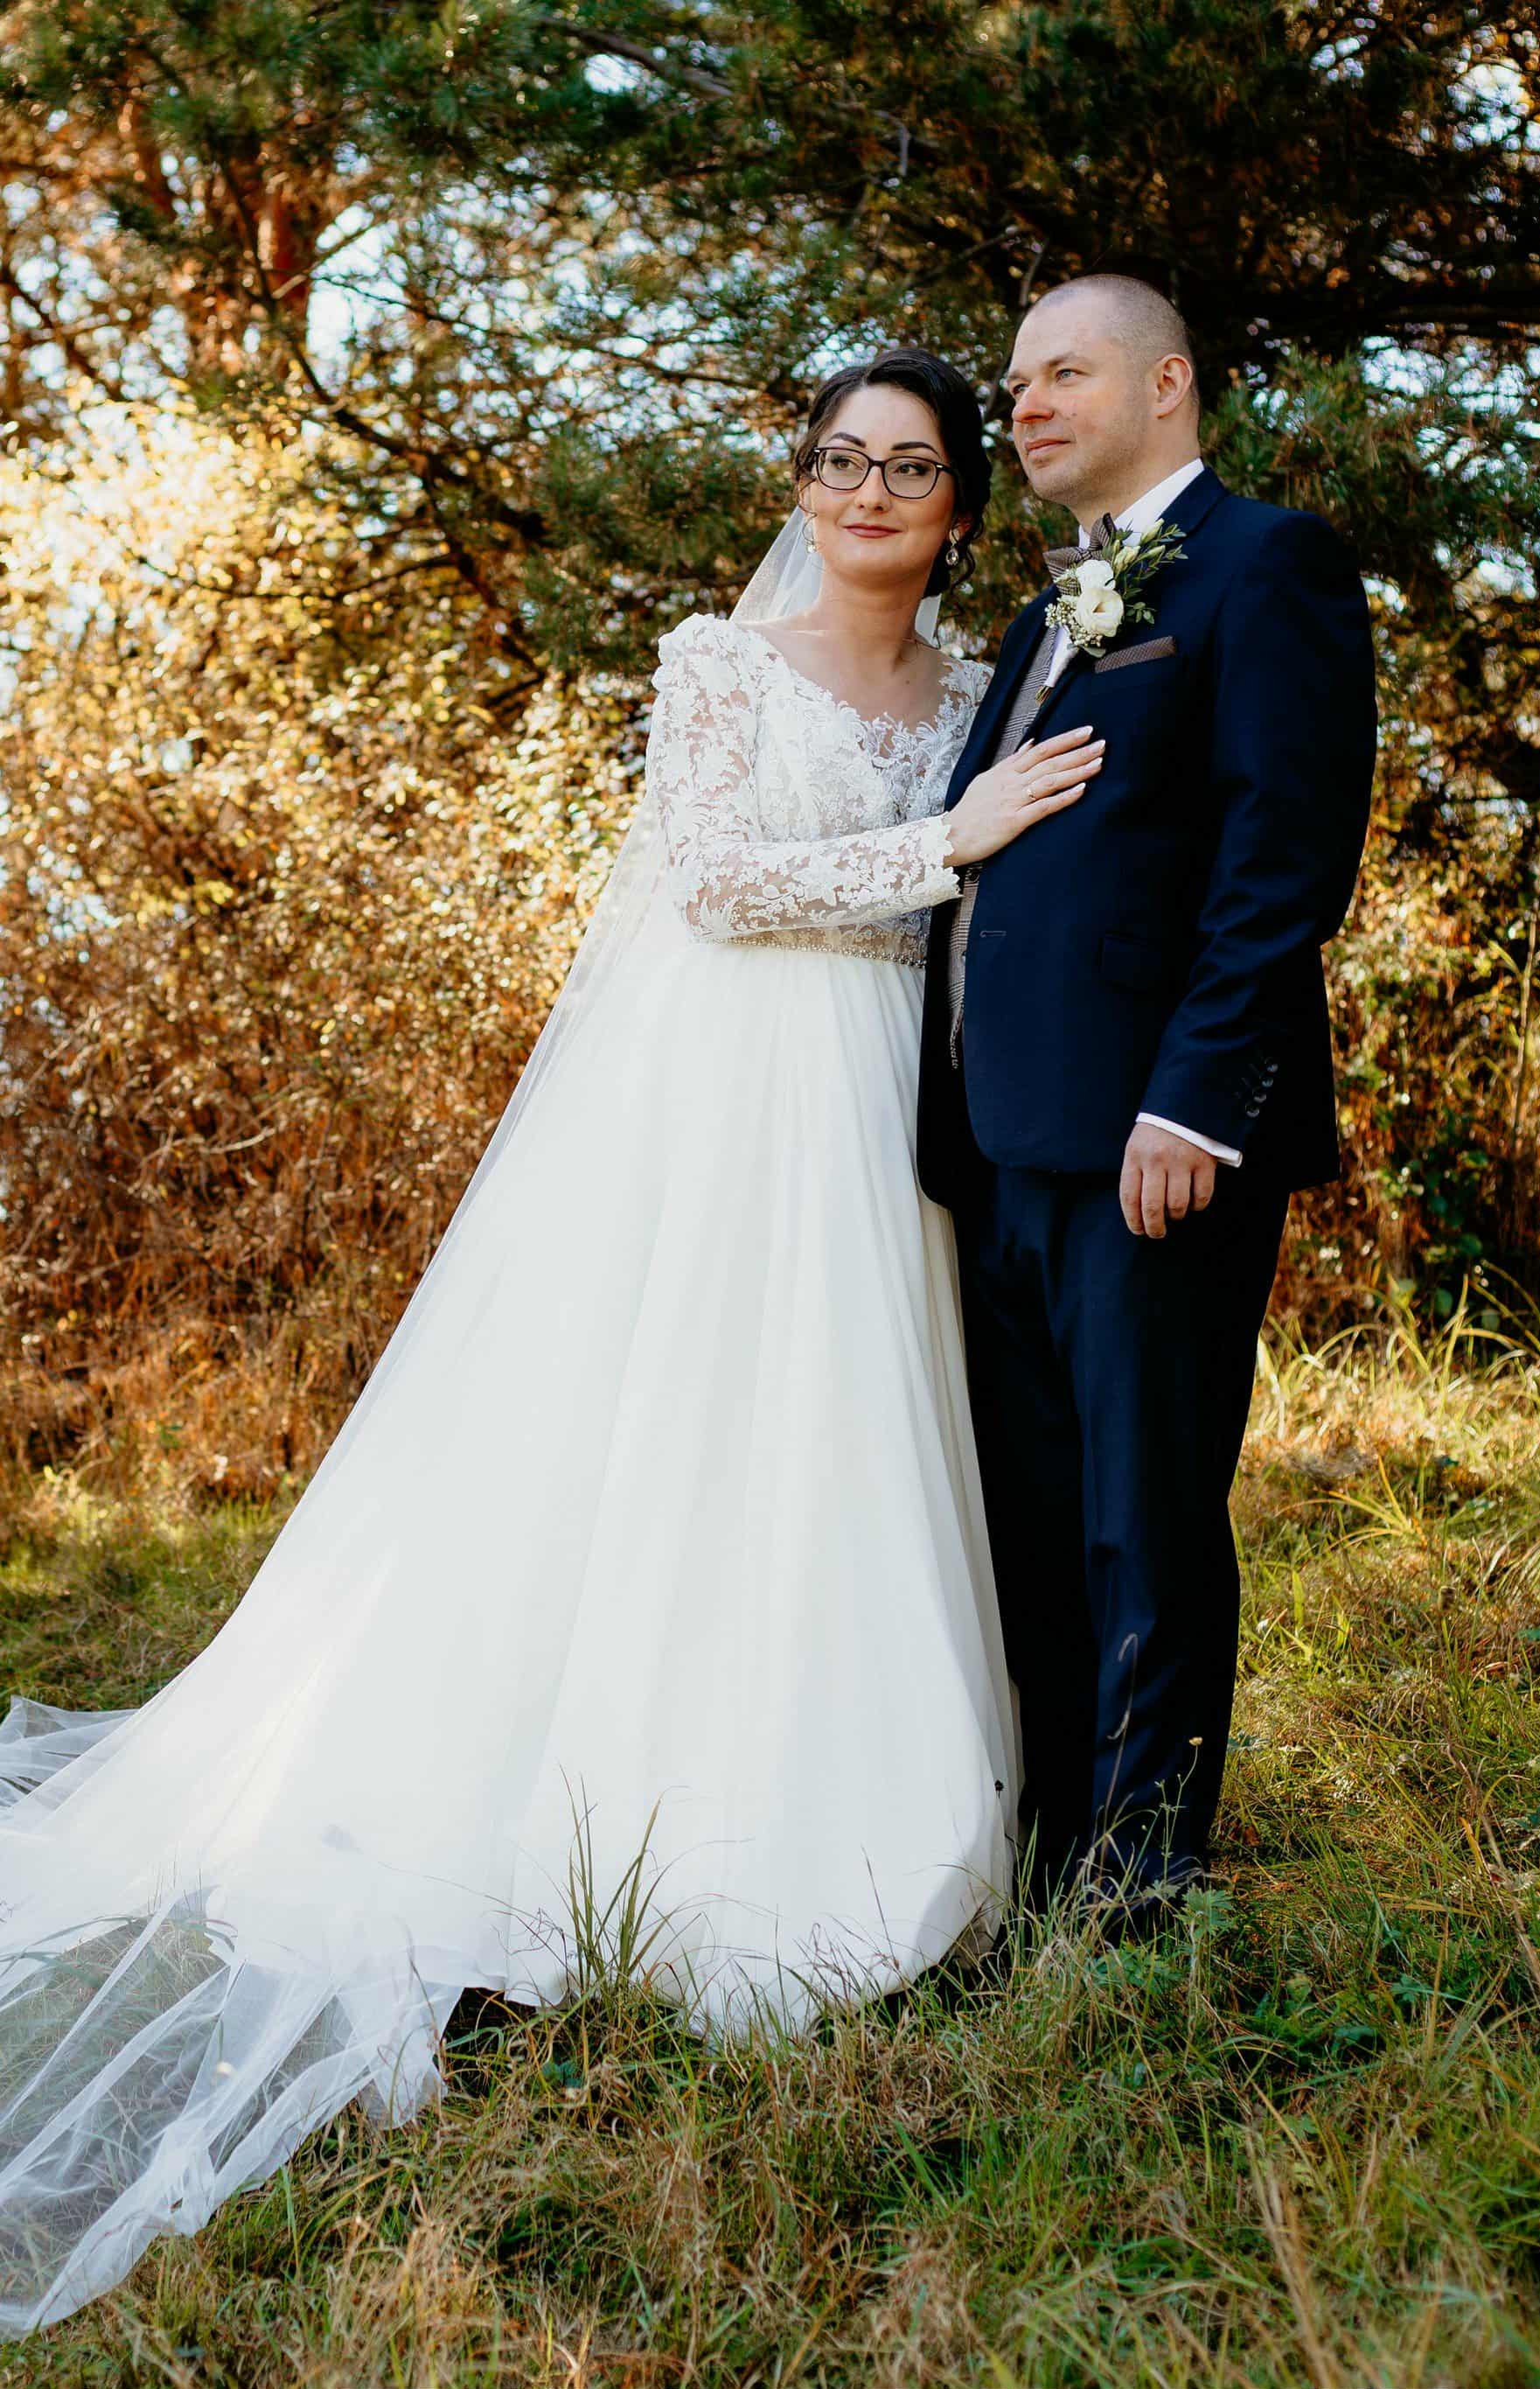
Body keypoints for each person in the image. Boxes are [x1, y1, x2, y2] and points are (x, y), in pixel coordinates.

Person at [0, 347, 1102, 2337]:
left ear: (959, 506)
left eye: (909, 466)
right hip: (725, 1096)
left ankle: (856, 1799)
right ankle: (594, 1804)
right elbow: (713, 883)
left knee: (843, 1446)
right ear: (803, 482)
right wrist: (946, 845)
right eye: (837, 459)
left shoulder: (975, 694)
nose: (866, 491)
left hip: (889, 1112)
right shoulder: (718, 661)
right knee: (667, 1425)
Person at [919, 276, 1376, 1928]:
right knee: (1037, 1516)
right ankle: (1052, 1854)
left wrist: (1196, 1104)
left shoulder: (1267, 563)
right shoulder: (1045, 616)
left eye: (1065, 372)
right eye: (1016, 380)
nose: (1027, 405)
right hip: (999, 1140)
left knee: (1147, 1510)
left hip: (1150, 1144)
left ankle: (1143, 1884)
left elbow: (1282, 857)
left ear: (1167, 383)